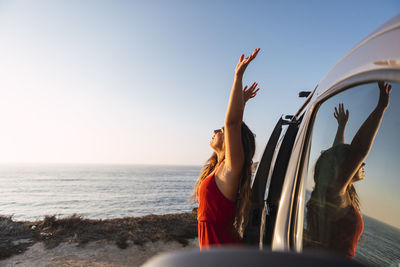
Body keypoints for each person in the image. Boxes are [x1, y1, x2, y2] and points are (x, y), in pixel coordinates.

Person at [304, 82, 392, 259]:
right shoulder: (334, 196)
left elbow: (342, 157)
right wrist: (380, 108)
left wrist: (341, 127)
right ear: (343, 169)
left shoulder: (329, 193)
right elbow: (358, 150)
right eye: (356, 163)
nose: (362, 164)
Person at [191, 48, 261, 250]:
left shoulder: (231, 169)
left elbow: (232, 124)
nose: (216, 130)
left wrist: (238, 76)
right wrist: (242, 102)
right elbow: (233, 125)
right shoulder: (219, 168)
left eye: (220, 130)